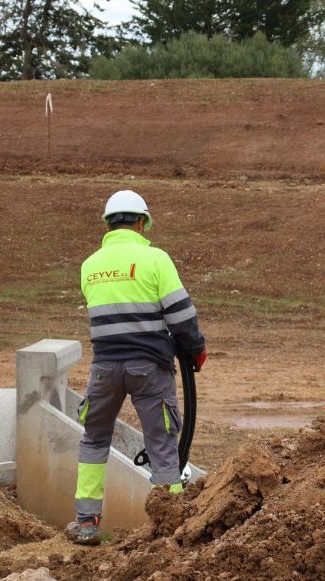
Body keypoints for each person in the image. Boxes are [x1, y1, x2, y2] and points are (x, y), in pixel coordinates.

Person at [67, 190, 207, 545]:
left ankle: (86, 521)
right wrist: (196, 351)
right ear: (142, 223)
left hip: (104, 369)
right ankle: (171, 525)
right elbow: (181, 316)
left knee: (94, 438)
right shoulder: (155, 259)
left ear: (108, 225)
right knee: (162, 443)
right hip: (150, 368)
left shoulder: (89, 266)